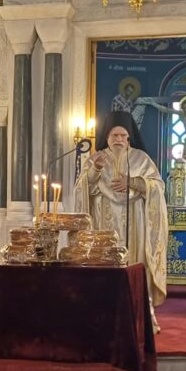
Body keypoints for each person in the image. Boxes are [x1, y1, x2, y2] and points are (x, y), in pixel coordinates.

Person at [74, 111, 168, 333]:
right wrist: (95, 170)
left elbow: (158, 186)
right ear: (106, 137)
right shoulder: (96, 158)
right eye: (114, 135)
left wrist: (133, 182)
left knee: (134, 267)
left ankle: (139, 318)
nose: (118, 139)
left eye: (122, 135)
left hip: (135, 224)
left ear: (129, 137)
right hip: (103, 227)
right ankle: (102, 317)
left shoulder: (141, 159)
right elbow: (82, 188)